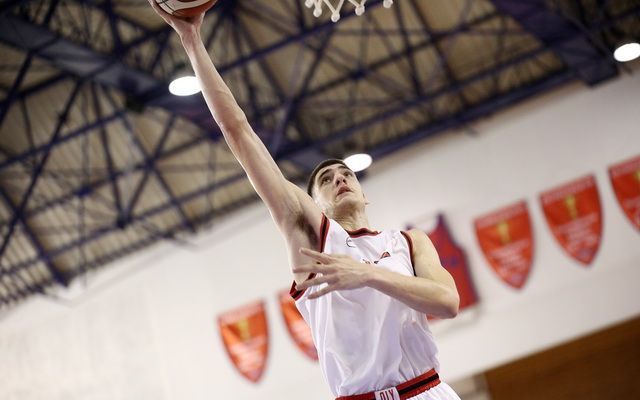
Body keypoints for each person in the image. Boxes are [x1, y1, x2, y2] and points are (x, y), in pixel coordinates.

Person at [149, 2, 461, 399]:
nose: (339, 179)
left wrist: (367, 274)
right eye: (326, 180)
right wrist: (191, 40)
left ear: (364, 193)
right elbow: (238, 132)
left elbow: (448, 302)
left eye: (346, 174)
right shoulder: (313, 238)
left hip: (428, 390)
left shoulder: (409, 242)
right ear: (315, 203)